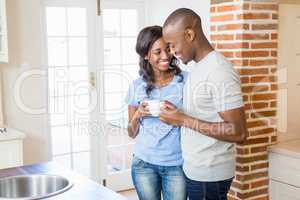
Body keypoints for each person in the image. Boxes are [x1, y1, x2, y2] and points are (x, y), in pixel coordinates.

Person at [160, 8, 248, 200]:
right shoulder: (200, 67)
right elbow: (203, 112)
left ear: (190, 34)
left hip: (209, 174)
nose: (173, 52)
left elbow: (239, 132)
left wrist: (182, 119)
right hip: (197, 170)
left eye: (173, 45)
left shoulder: (219, 71)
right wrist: (177, 113)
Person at [125, 25, 187, 200]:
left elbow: (194, 121)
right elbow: (131, 132)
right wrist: (138, 114)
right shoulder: (136, 86)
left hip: (177, 164)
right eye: (157, 52)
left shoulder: (185, 81)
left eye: (168, 49)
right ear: (146, 55)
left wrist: (178, 116)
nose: (165, 56)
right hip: (143, 164)